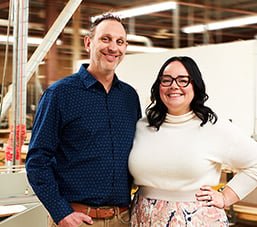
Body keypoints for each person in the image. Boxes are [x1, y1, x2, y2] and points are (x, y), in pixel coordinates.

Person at [25, 12, 141, 227]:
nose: (113, 47)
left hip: (123, 218)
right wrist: (61, 213)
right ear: (88, 43)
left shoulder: (129, 97)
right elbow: (37, 161)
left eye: (120, 41)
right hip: (77, 219)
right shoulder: (60, 94)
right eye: (105, 39)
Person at [128, 56, 257, 226]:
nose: (174, 85)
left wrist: (226, 197)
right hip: (144, 217)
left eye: (183, 80)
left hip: (197, 219)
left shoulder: (214, 127)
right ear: (159, 86)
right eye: (166, 80)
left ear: (195, 85)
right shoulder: (143, 126)